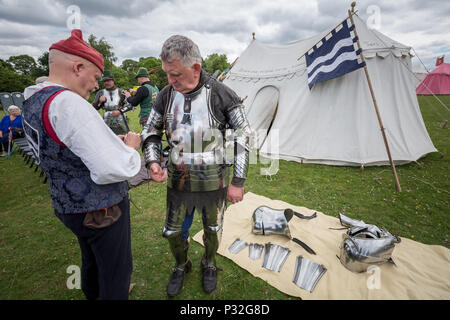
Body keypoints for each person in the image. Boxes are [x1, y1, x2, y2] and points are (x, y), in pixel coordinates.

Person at [22, 29, 142, 300]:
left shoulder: (33, 99)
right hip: (100, 209)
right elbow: (111, 169)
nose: (95, 85)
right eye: (95, 77)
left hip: (67, 204)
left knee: (90, 258)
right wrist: (130, 148)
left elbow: (63, 146)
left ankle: (94, 293)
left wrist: (108, 141)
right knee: (115, 271)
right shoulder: (69, 104)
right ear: (78, 67)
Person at [141, 35, 252, 297]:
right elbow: (150, 131)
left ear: (196, 69)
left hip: (214, 179)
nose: (170, 81)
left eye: (175, 74)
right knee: (171, 231)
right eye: (167, 74)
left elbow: (243, 137)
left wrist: (238, 181)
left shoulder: (222, 94)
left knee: (213, 229)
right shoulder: (166, 95)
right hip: (178, 179)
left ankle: (209, 263)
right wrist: (153, 160)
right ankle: (182, 264)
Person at [92, 70, 131, 135]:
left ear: (113, 80)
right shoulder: (100, 93)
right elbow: (95, 107)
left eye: (108, 81)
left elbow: (130, 106)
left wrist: (119, 111)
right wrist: (99, 101)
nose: (106, 83)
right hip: (107, 120)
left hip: (121, 120)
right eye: (105, 81)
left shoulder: (121, 92)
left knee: (123, 139)